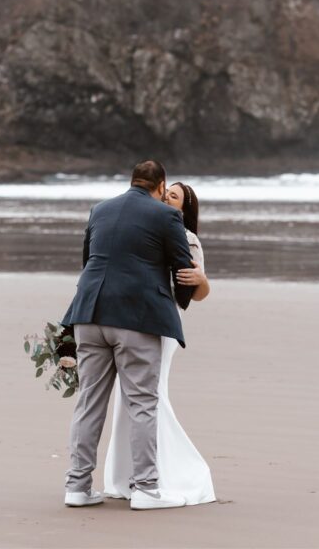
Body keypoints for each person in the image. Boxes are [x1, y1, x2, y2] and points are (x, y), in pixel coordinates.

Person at [60, 160, 195, 510]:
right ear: (161, 185)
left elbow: (89, 261)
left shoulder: (100, 209)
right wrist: (180, 305)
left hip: (89, 314)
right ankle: (147, 489)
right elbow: (183, 271)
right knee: (142, 404)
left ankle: (77, 486)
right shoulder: (167, 217)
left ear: (132, 180)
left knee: (89, 402)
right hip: (136, 317)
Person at [103, 181, 216, 506]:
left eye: (174, 197)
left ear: (184, 209)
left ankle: (171, 473)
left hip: (161, 322)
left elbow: (197, 292)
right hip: (132, 320)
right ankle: (126, 476)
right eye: (165, 194)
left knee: (149, 397)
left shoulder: (188, 239)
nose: (166, 199)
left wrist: (203, 281)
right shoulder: (146, 231)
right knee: (129, 399)